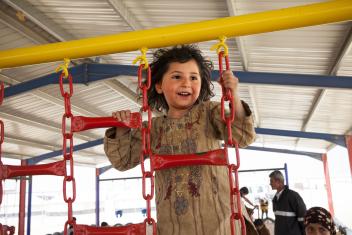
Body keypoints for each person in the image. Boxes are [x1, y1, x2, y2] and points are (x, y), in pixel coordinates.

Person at [104, 45, 256, 235]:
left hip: (222, 223)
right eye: (177, 77)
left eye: (193, 77)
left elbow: (243, 136)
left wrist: (234, 94)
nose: (186, 83)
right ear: (158, 85)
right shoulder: (152, 128)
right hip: (174, 226)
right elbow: (122, 160)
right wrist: (121, 128)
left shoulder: (209, 113)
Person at [269, 170, 306, 235]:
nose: (270, 183)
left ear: (278, 181)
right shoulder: (275, 199)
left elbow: (302, 217)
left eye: (271, 181)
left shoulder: (293, 196)